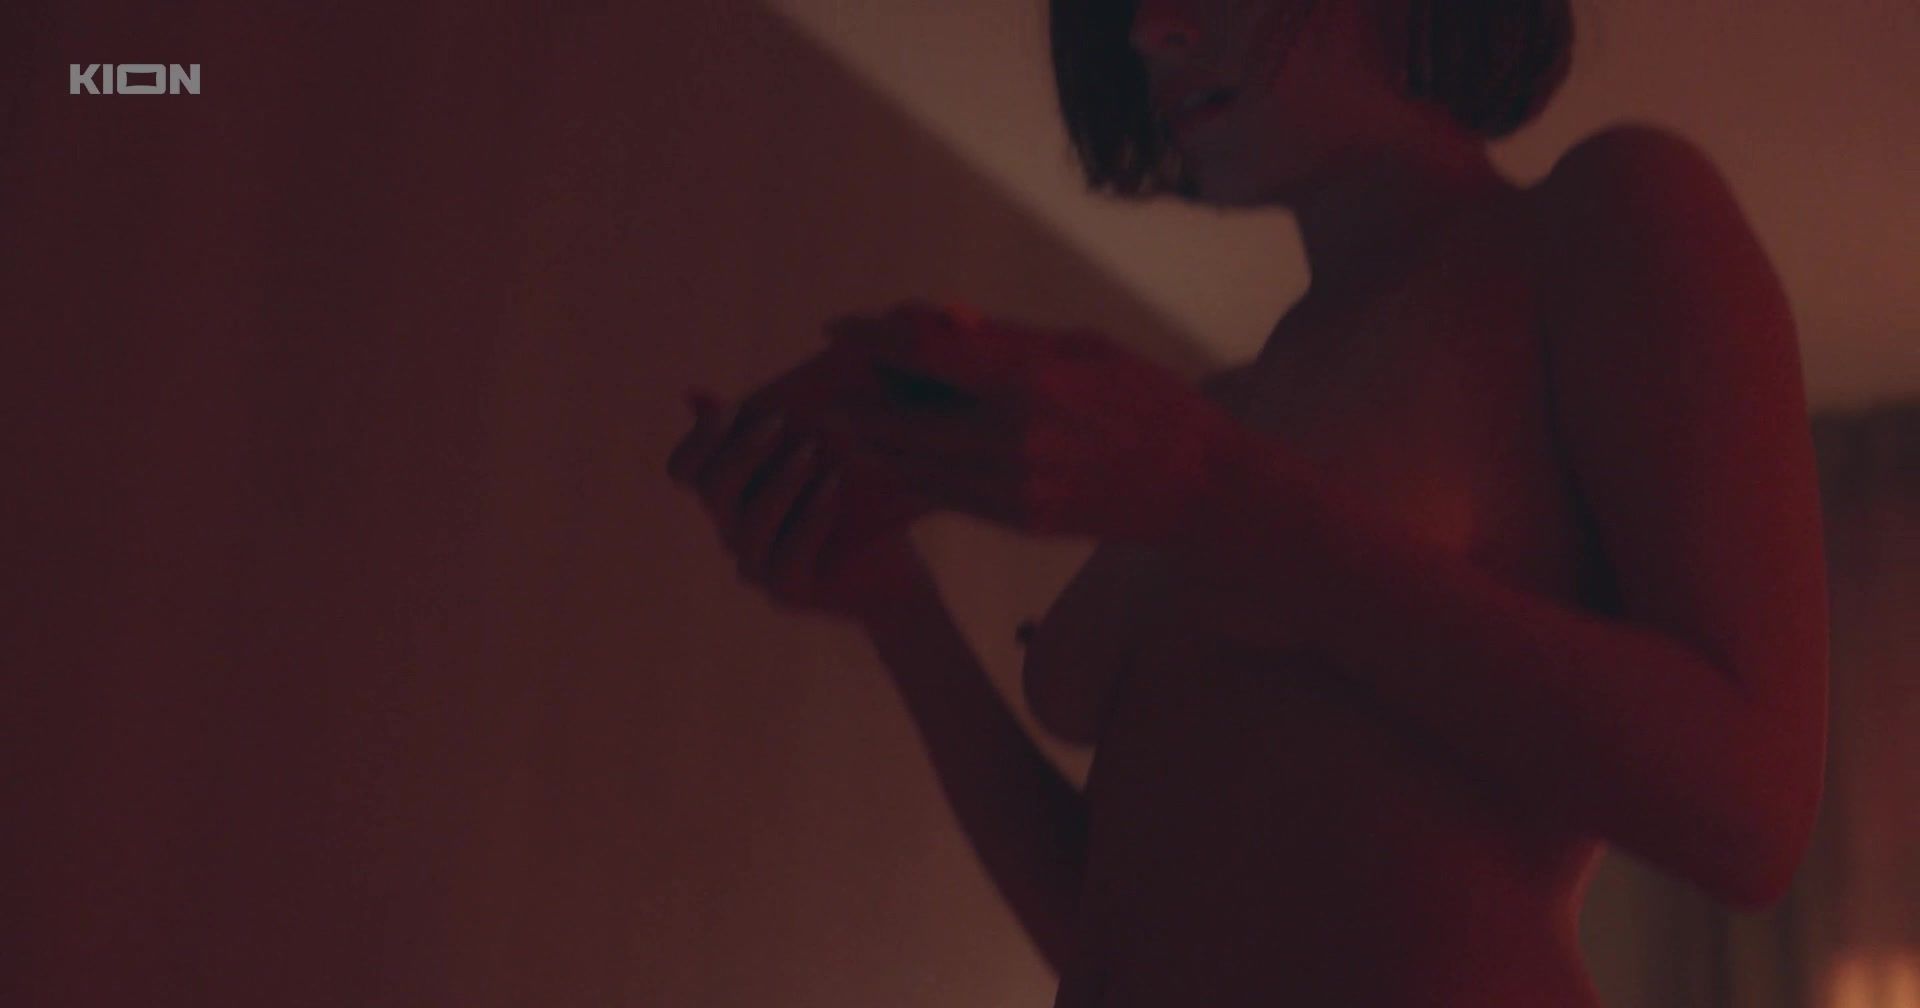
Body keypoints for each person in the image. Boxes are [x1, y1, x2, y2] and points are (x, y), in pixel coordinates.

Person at [666, 0, 1831, 1003]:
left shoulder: (1603, 219)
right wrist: (891, 602)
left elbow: (1750, 811)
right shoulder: (1223, 407)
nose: (1147, 27)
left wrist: (1212, 496)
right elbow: (1116, 924)